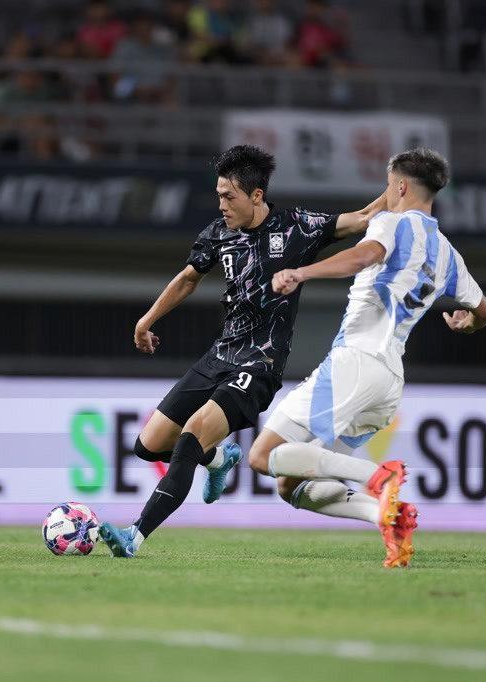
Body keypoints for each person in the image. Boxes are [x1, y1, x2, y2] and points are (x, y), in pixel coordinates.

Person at [98, 145, 391, 558]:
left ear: (256, 196)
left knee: (191, 437)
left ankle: (135, 535)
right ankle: (218, 460)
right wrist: (146, 321)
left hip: (259, 366)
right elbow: (188, 278)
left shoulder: (297, 226)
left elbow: (361, 218)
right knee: (149, 445)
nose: (221, 205)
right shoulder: (218, 233)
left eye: (229, 196)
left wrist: (400, 189)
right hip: (219, 356)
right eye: (218, 195)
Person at [242, 148, 486, 568]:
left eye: (389, 185)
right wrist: (466, 324)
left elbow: (365, 255)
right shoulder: (449, 254)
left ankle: (379, 476)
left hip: (355, 360)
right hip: (389, 381)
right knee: (290, 484)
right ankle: (386, 515)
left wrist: (302, 272)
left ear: (400, 186)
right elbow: (484, 311)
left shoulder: (391, 223)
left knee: (262, 456)